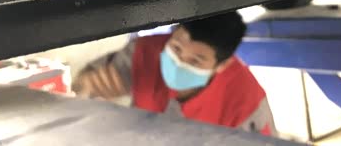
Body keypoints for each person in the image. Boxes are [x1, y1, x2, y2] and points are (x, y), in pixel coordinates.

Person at [73, 11, 274, 136]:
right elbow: (80, 85)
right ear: (172, 34)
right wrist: (88, 85)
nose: (179, 62)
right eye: (176, 48)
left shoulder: (247, 102)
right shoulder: (142, 52)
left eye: (195, 61)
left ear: (222, 65)